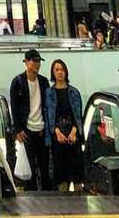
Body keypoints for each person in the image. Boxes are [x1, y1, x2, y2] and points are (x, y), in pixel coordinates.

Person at [8, 48, 49, 191]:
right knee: (29, 167)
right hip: (27, 131)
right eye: (34, 61)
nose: (37, 64)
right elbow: (14, 107)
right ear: (26, 62)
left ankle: (48, 195)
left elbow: (47, 105)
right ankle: (32, 196)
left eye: (39, 61)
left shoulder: (43, 82)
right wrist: (18, 129)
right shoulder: (18, 82)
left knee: (45, 166)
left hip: (42, 130)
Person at [45, 59, 84, 193]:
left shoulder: (74, 92)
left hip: (73, 135)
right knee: (60, 172)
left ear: (66, 72)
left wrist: (74, 131)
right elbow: (49, 115)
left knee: (77, 169)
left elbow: (77, 115)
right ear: (53, 73)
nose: (60, 72)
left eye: (62, 69)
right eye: (57, 70)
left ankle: (79, 196)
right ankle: (63, 198)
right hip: (57, 136)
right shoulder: (49, 93)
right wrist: (56, 132)